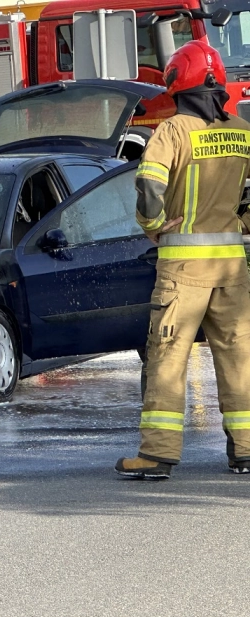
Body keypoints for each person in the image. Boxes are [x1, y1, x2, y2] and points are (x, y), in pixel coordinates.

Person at [115, 41, 250, 479]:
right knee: (239, 357)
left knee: (169, 358)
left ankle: (156, 455)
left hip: (182, 273)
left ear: (180, 87)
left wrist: (153, 224)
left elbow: (149, 185)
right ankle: (246, 450)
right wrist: (243, 224)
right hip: (232, 270)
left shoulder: (172, 132)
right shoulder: (243, 132)